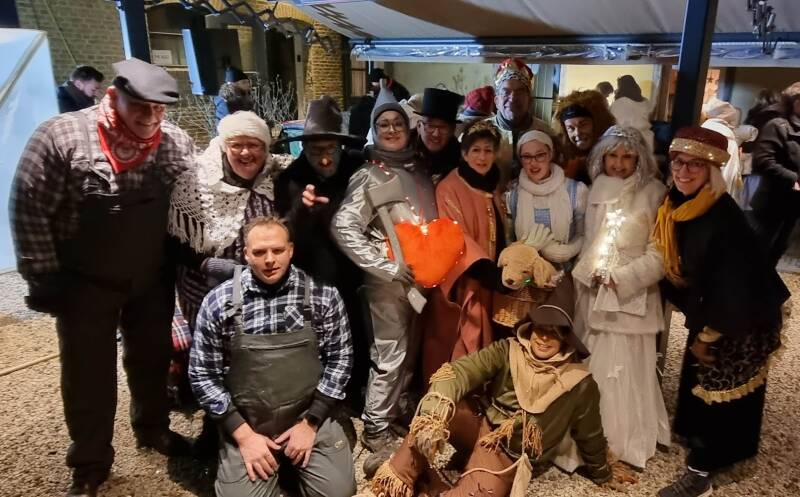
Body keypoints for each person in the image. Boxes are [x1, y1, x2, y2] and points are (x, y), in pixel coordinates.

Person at [10, 57, 194, 497]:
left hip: (150, 277)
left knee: (151, 359)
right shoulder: (62, 136)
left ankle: (152, 428)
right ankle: (90, 461)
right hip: (84, 282)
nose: (150, 118)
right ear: (115, 95)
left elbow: (195, 192)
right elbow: (28, 204)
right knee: (87, 374)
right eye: (140, 106)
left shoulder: (173, 142)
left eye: (158, 108)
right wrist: (41, 274)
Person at [370, 278, 635, 497]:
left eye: (554, 333)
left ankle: (428, 480)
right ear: (531, 328)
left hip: (508, 455)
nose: (544, 338)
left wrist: (602, 472)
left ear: (566, 339)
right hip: (480, 427)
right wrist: (434, 411)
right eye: (541, 329)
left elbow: (590, 433)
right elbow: (460, 372)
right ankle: (398, 477)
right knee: (441, 406)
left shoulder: (579, 382)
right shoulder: (508, 350)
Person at [654, 126, 788, 497]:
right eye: (678, 162)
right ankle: (702, 440)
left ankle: (702, 472)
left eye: (694, 165)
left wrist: (709, 334)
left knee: (719, 387)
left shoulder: (722, 217)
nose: (683, 171)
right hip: (714, 306)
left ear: (712, 170)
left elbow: (733, 285)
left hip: (740, 317)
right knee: (698, 382)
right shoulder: (681, 204)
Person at [189, 217, 355, 497]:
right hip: (249, 422)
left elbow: (341, 360)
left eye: (277, 250)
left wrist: (311, 422)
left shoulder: (323, 295)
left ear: (291, 250)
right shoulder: (218, 302)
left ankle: (297, 458)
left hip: (306, 416)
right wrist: (243, 435)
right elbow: (202, 375)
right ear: (245, 254)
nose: (269, 260)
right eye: (259, 252)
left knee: (338, 492)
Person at [332, 80, 437, 455]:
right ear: (374, 131)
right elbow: (344, 226)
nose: (391, 130)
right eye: (383, 125)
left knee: (410, 351)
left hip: (419, 280)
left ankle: (396, 412)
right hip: (387, 283)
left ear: (408, 127)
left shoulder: (418, 169)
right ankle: (376, 429)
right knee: (390, 354)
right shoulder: (368, 175)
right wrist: (384, 266)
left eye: (397, 123)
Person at [167, 111, 283, 427]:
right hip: (204, 287)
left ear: (265, 149)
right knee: (212, 355)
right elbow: (174, 240)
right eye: (236, 145)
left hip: (256, 284)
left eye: (254, 145)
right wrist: (210, 264)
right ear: (222, 146)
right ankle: (218, 419)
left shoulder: (273, 178)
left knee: (250, 349)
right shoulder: (195, 182)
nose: (245, 152)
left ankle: (252, 410)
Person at [572, 125, 669, 468]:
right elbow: (589, 241)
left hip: (630, 297)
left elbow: (660, 255)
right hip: (593, 291)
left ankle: (622, 437)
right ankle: (588, 432)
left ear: (640, 158)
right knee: (593, 361)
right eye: (612, 156)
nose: (619, 163)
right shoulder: (596, 188)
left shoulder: (654, 194)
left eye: (628, 157)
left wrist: (622, 278)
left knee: (626, 368)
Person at [274, 95, 368, 418]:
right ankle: (320, 400)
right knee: (319, 341)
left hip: (355, 274)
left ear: (341, 146)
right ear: (304, 148)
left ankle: (355, 392)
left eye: (331, 149)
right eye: (316, 151)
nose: (325, 159)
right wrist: (301, 210)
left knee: (357, 333)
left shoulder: (358, 167)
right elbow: (283, 235)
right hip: (313, 279)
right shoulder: (290, 179)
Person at [420, 120, 508, 392]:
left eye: (488, 150)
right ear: (464, 153)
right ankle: (453, 399)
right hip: (466, 280)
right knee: (464, 340)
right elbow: (455, 235)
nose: (482, 157)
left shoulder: (493, 186)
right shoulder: (450, 187)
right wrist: (485, 270)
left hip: (492, 280)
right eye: (476, 151)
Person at [506, 130, 588, 268]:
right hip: (526, 272)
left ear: (550, 154)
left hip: (565, 272)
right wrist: (524, 251)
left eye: (540, 155)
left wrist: (568, 251)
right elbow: (508, 239)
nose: (533, 163)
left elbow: (583, 233)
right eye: (527, 157)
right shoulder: (513, 195)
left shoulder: (575, 191)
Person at [750, 82, 800, 267]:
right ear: (795, 102)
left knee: (779, 249)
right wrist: (794, 179)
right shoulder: (778, 125)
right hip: (773, 202)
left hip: (795, 205)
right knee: (758, 251)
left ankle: (764, 283)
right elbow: (763, 161)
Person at [486, 58, 554, 186]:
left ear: (530, 100)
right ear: (496, 101)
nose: (512, 98)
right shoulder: (479, 132)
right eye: (506, 92)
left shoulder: (546, 132)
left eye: (520, 92)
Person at [553, 90, 616, 184]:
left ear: (598, 124)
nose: (577, 133)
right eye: (570, 128)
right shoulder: (560, 158)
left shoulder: (615, 154)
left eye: (583, 124)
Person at [412, 87, 464, 182]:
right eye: (430, 126)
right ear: (419, 126)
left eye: (443, 127)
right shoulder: (403, 152)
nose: (436, 134)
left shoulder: (461, 158)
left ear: (453, 130)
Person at [610, 75, 654, 151]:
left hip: (626, 141)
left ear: (621, 88)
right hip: (647, 140)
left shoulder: (619, 103)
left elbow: (613, 124)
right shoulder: (646, 102)